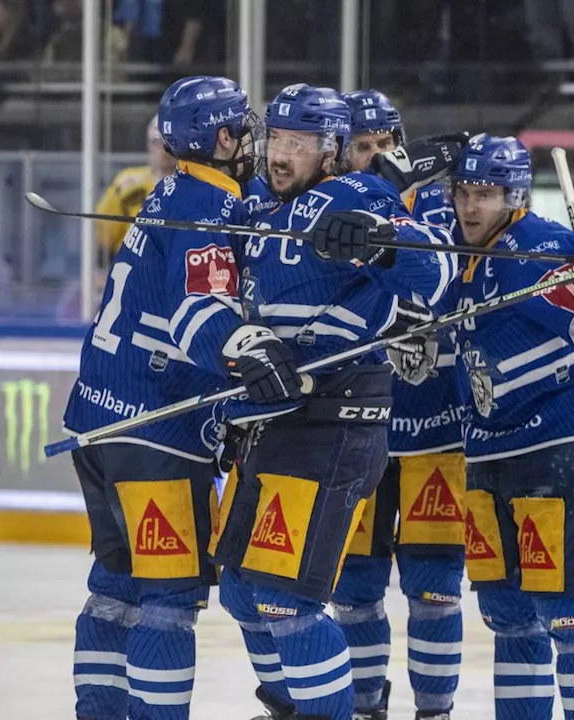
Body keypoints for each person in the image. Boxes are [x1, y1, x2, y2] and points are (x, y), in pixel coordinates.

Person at [208, 83, 457, 720]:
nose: (282, 156)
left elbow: (436, 273)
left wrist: (379, 242)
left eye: (300, 144)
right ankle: (290, 707)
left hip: (333, 423)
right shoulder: (259, 204)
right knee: (240, 591)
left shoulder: (359, 194)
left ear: (333, 151)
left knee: (286, 600)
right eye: (278, 141)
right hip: (272, 424)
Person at [62, 75, 259, 720]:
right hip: (158, 433)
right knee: (168, 603)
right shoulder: (210, 209)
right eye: (244, 128)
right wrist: (255, 360)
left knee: (113, 591)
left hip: (97, 422)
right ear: (224, 137)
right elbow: (198, 316)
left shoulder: (166, 193)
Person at [449, 134, 574, 720]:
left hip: (557, 450)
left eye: (485, 194)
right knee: (508, 615)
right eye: (463, 191)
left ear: (514, 197)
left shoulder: (533, 245)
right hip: (489, 454)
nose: (469, 206)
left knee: (572, 616)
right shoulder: (466, 255)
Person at [332, 88, 463, 720]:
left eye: (387, 144)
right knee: (354, 589)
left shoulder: (442, 202)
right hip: (356, 431)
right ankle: (364, 709)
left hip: (435, 431)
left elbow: (472, 277)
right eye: (363, 146)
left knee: (435, 589)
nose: (378, 156)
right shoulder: (328, 210)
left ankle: (434, 713)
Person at [95, 115, 179, 266]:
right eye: (157, 142)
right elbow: (102, 240)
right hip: (132, 273)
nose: (163, 150)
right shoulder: (127, 184)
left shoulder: (195, 187)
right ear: (149, 145)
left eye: (169, 143)